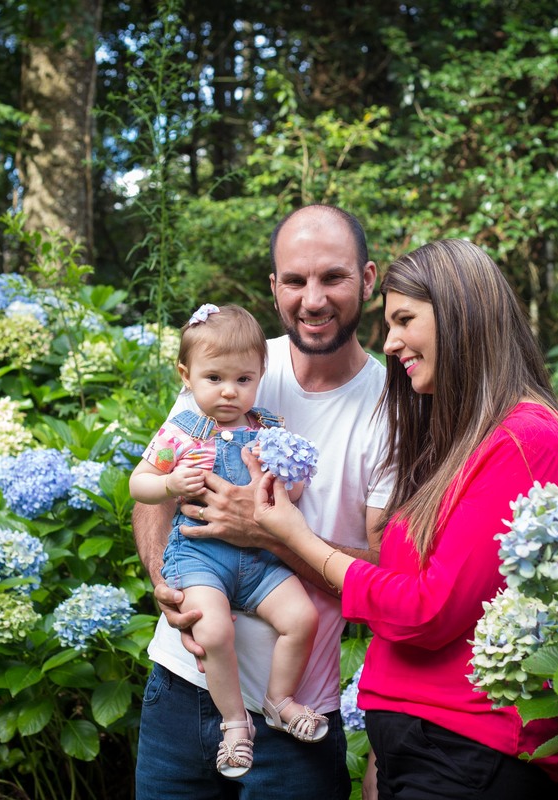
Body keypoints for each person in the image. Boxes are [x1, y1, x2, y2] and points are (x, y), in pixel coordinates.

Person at [253, 239, 558, 799]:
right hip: (423, 748)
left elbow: (427, 611)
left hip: (471, 753)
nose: (391, 342)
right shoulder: (460, 440)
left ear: (460, 315)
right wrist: (385, 747)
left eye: (405, 319)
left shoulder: (525, 439)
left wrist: (294, 538)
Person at [132, 205, 394, 799]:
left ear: (369, 279)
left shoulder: (393, 407)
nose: (314, 299)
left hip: (297, 719)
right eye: (296, 280)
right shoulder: (232, 360)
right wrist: (165, 581)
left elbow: (388, 577)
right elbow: (156, 489)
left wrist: (269, 533)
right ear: (274, 287)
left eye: (334, 277)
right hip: (180, 687)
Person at [129, 303, 328, 778]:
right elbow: (139, 484)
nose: (228, 391)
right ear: (187, 374)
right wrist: (172, 484)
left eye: (243, 380)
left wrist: (287, 480)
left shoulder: (269, 430)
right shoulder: (181, 431)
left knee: (302, 618)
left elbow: (292, 492)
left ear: (260, 376)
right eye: (214, 378)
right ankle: (235, 724)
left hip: (260, 561)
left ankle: (279, 700)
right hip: (200, 557)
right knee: (213, 631)